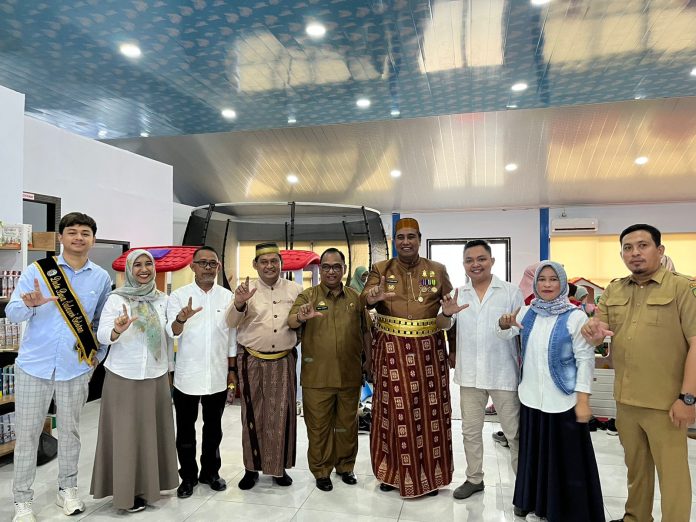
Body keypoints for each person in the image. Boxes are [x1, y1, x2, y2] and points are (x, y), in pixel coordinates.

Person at [582, 224, 696, 522]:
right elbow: (598, 333)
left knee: (673, 475)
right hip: (627, 400)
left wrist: (688, 398)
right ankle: (636, 517)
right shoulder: (614, 289)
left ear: (660, 251)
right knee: (636, 468)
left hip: (666, 403)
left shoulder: (683, 287)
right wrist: (592, 330)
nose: (635, 253)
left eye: (643, 245)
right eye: (628, 248)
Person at [7, 212, 111, 522]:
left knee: (71, 433)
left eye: (85, 233)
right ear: (61, 237)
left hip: (75, 367)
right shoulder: (37, 271)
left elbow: (100, 323)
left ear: (93, 239)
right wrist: (30, 304)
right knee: (26, 435)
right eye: (72, 232)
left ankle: (68, 490)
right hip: (33, 366)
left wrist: (98, 356)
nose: (79, 238)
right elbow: (12, 313)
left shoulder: (101, 277)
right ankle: (22, 501)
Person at [498, 261, 603, 521]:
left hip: (564, 400)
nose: (547, 285)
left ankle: (562, 508)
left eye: (553, 280)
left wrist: (583, 399)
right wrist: (503, 324)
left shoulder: (575, 315)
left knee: (565, 459)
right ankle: (530, 500)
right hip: (532, 398)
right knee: (533, 455)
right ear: (535, 284)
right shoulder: (527, 312)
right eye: (542, 279)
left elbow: (585, 359)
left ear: (563, 283)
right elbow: (504, 334)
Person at [362, 217, 454, 498]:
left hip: (429, 352)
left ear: (419, 238)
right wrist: (373, 296)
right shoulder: (381, 268)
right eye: (400, 238)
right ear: (394, 242)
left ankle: (430, 475)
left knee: (430, 412)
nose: (406, 242)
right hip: (391, 350)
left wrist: (452, 340)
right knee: (393, 411)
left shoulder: (437, 270)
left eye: (411, 237)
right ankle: (391, 472)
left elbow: (449, 313)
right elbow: (364, 299)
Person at [91, 249, 178, 512]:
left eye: (148, 264)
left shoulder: (162, 299)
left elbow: (170, 333)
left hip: (155, 375)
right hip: (123, 376)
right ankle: (125, 494)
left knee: (152, 434)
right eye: (137, 265)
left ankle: (150, 488)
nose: (143, 269)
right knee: (126, 436)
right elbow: (103, 334)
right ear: (129, 269)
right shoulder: (116, 299)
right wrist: (117, 328)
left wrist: (181, 321)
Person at [437, 240, 523, 500]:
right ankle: (474, 479)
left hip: (503, 372)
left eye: (481, 259)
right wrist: (446, 314)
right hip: (470, 375)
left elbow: (518, 330)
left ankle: (523, 485)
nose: (475, 264)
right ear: (463, 265)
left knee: (514, 433)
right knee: (470, 431)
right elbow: (442, 323)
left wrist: (506, 326)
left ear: (492, 261)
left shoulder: (509, 291)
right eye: (469, 260)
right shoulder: (459, 294)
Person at [288, 248, 369, 491]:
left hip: (349, 375)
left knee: (346, 426)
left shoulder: (356, 298)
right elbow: (291, 321)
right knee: (319, 427)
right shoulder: (308, 297)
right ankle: (321, 471)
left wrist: (370, 361)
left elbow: (366, 331)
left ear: (344, 269)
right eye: (326, 266)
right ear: (320, 269)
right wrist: (302, 317)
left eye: (336, 266)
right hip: (317, 378)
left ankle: (345, 467)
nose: (331, 271)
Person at [226, 242, 302, 490]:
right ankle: (251, 468)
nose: (270, 266)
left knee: (282, 415)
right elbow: (230, 322)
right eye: (264, 262)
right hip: (252, 360)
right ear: (255, 265)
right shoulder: (245, 290)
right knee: (252, 414)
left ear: (280, 263)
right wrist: (239, 303)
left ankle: (278, 469)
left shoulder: (295, 289)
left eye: (274, 261)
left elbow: (301, 325)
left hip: (283, 361)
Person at [166, 246, 236, 498]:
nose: (208, 267)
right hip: (187, 376)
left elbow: (231, 337)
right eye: (202, 263)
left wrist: (232, 370)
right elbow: (172, 331)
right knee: (185, 430)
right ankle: (187, 477)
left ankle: (210, 472)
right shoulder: (178, 296)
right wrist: (181, 318)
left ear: (218, 267)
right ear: (192, 266)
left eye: (212, 263)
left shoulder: (228, 297)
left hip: (217, 375)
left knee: (213, 429)